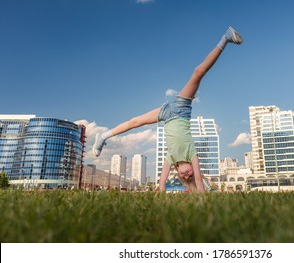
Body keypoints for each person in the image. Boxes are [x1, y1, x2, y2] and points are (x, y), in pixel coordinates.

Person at [93, 26, 243, 192]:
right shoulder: (192, 154)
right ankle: (226, 38)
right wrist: (201, 193)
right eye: (191, 175)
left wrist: (162, 191)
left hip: (165, 114)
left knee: (135, 122)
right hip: (181, 108)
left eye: (184, 177)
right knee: (198, 72)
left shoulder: (170, 158)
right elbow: (199, 182)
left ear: (177, 171)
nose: (188, 175)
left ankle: (103, 136)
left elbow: (162, 184)